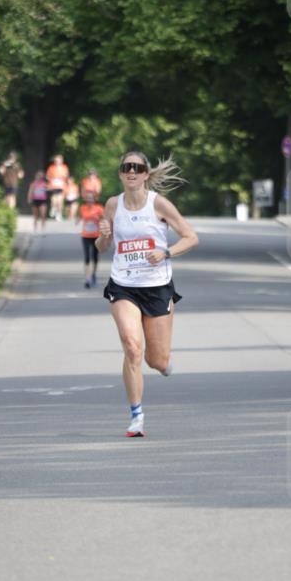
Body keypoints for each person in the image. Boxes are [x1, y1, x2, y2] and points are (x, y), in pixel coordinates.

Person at [96, 151, 198, 437]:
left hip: (156, 286)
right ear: (120, 173)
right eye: (126, 167)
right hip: (123, 284)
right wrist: (103, 234)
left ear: (145, 174)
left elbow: (191, 237)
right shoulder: (113, 205)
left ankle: (163, 364)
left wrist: (166, 251)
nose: (131, 171)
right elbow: (102, 247)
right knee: (132, 346)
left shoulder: (159, 204)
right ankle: (136, 415)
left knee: (156, 360)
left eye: (137, 168)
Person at [77, 191, 104, 288]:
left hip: (96, 236)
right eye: (87, 198)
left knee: (95, 257)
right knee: (87, 257)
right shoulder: (83, 208)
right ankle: (87, 278)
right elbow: (79, 218)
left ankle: (94, 274)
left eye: (91, 198)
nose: (89, 200)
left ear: (94, 199)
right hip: (85, 236)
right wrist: (77, 221)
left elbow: (104, 219)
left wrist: (99, 220)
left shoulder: (99, 209)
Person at [46, 154, 70, 221]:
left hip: (61, 186)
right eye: (56, 160)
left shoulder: (64, 167)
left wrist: (64, 177)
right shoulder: (51, 167)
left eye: (58, 160)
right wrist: (51, 179)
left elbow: (67, 176)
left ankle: (59, 214)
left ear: (61, 161)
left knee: (60, 201)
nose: (57, 161)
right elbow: (47, 176)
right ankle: (53, 208)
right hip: (53, 185)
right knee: (54, 200)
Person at [28, 170, 48, 234]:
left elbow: (48, 189)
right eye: (38, 176)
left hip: (42, 201)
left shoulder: (44, 183)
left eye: (41, 176)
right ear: (36, 177)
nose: (39, 177)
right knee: (35, 216)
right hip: (35, 200)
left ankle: (43, 229)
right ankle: (35, 229)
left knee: (43, 215)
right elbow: (30, 191)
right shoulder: (33, 184)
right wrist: (29, 198)